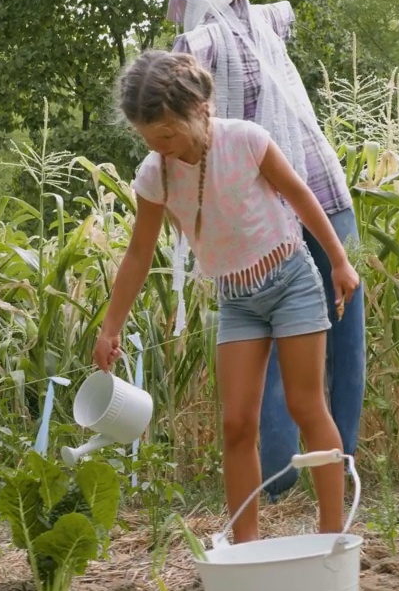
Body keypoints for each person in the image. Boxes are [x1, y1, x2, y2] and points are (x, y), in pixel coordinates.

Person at [92, 49, 360, 543]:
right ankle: (246, 546)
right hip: (237, 300)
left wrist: (339, 260)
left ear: (200, 110)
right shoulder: (155, 174)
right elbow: (137, 254)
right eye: (149, 139)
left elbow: (302, 196)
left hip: (291, 282)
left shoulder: (246, 141)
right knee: (237, 423)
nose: (161, 147)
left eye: (168, 134)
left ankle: (330, 536)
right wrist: (111, 326)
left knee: (306, 407)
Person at [164, 0, 366, 498]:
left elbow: (181, 117)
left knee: (272, 349)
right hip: (325, 186)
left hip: (265, 202)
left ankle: (277, 480)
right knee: (344, 340)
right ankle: (340, 467)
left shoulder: (196, 46)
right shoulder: (272, 20)